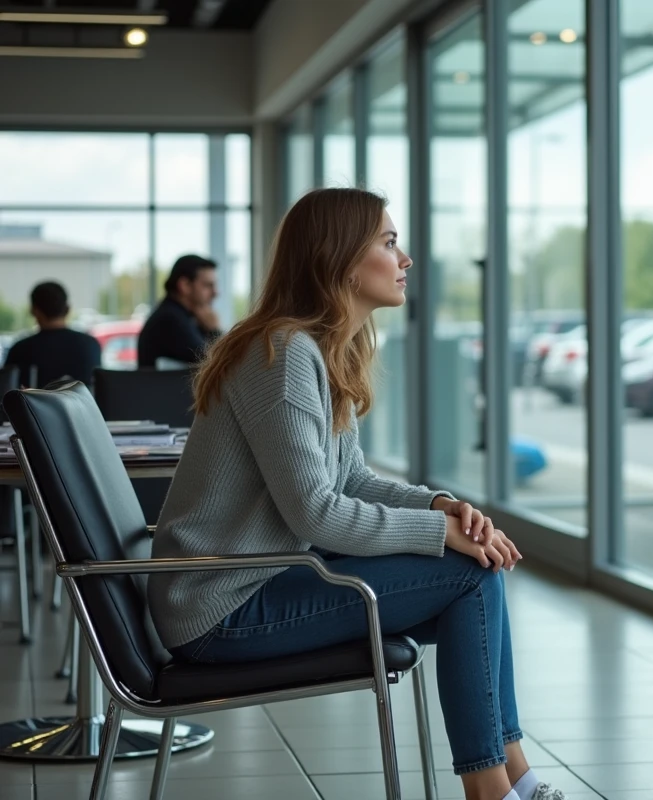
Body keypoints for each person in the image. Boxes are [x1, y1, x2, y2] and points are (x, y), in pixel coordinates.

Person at [146, 188, 566, 800]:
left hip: (250, 583)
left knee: (475, 572)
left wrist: (438, 506)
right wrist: (437, 535)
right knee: (470, 575)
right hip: (220, 608)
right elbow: (317, 513)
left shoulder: (315, 349)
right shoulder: (283, 353)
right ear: (340, 259)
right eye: (389, 243)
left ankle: (513, 785)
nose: (406, 259)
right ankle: (496, 791)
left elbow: (351, 481)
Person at [3, 281, 101, 388]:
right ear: (67, 309)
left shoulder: (20, 350)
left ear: (34, 311)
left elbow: (6, 391)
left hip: (34, 405)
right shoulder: (91, 345)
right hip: (82, 405)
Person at [137, 254, 221, 368]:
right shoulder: (170, 319)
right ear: (185, 285)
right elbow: (218, 363)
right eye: (207, 285)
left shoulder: (179, 315)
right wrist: (214, 331)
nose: (216, 293)